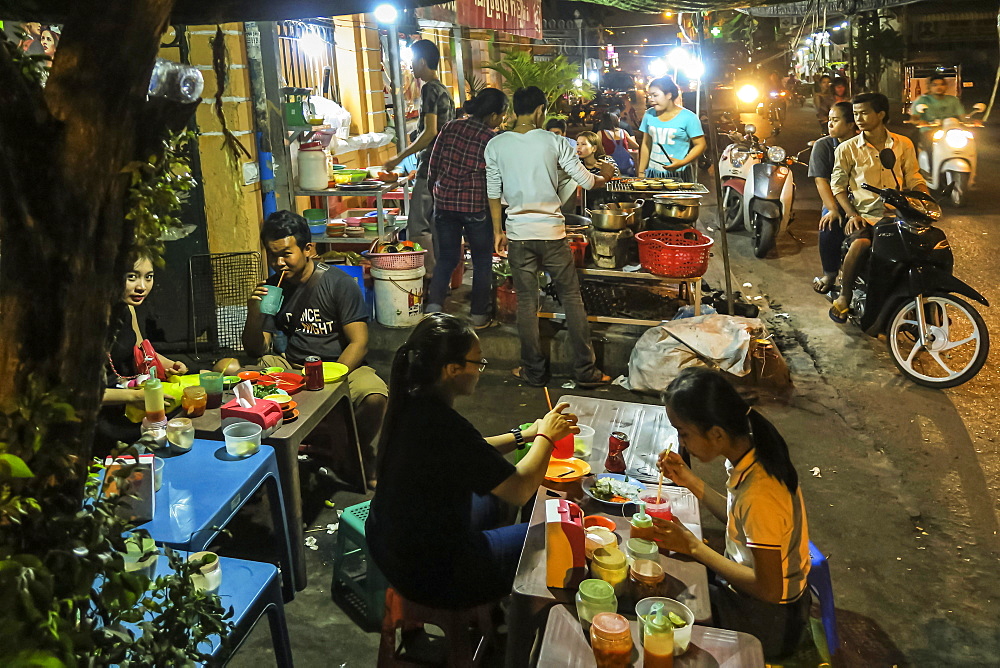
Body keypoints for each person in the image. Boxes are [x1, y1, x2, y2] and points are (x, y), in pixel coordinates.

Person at [367, 313, 579, 608]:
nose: (480, 370)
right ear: (452, 369)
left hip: (391, 547)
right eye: (477, 362)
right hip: (433, 575)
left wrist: (524, 435)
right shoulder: (444, 424)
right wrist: (547, 437)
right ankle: (522, 624)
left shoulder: (412, 402)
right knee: (556, 538)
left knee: (494, 499)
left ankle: (497, 588)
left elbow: (472, 451)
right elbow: (520, 489)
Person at [654, 367, 811, 660]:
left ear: (716, 434)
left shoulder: (760, 493)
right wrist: (689, 481)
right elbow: (740, 523)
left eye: (684, 433)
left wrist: (693, 546)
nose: (681, 442)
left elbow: (768, 589)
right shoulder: (750, 455)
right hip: (757, 600)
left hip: (766, 620)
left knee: (663, 609)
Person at [243, 210, 388, 488]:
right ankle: (314, 449)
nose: (278, 263)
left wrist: (332, 381)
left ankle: (346, 450)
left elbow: (359, 342)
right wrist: (253, 313)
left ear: (308, 249)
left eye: (286, 254)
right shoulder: (275, 288)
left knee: (375, 396)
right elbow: (255, 348)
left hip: (340, 366)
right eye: (272, 255)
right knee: (233, 373)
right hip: (293, 365)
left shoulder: (338, 284)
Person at [485, 86, 612, 388]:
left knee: (528, 303)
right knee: (571, 298)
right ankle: (585, 372)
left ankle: (533, 371)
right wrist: (604, 175)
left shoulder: (496, 145)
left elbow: (493, 192)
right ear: (541, 110)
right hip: (552, 233)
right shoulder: (555, 142)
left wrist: (497, 232)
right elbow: (586, 180)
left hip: (517, 233)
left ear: (514, 111)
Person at [829, 93, 928, 323]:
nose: (859, 118)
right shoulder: (847, 149)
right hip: (865, 217)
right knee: (862, 243)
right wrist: (852, 214)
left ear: (881, 114)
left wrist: (924, 198)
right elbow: (838, 186)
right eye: (855, 114)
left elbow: (913, 176)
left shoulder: (903, 144)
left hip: (899, 216)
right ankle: (844, 296)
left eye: (864, 113)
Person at [425, 88, 509, 328]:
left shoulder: (450, 127)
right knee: (482, 260)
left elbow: (434, 163)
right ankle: (479, 316)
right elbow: (495, 179)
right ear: (493, 115)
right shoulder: (491, 140)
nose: (501, 120)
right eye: (502, 115)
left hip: (444, 204)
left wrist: (436, 192)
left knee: (447, 259)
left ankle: (433, 310)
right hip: (475, 208)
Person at [98, 250, 188, 455]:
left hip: (133, 398)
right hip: (102, 413)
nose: (142, 287)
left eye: (149, 277)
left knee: (186, 412)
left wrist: (169, 365)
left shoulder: (127, 309)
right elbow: (82, 393)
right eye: (132, 277)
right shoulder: (91, 320)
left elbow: (143, 351)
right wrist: (134, 396)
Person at [383, 40, 455, 279]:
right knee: (436, 225)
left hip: (431, 167)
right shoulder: (445, 90)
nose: (411, 65)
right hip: (445, 168)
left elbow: (430, 132)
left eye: (413, 60)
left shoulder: (429, 89)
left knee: (418, 224)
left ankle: (428, 276)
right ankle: (441, 277)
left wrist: (398, 158)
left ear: (422, 61)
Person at [808, 102, 859, 294]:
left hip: (861, 200)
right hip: (835, 200)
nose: (830, 124)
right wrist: (832, 209)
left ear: (851, 124)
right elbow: (821, 182)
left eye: (835, 120)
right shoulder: (824, 146)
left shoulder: (862, 146)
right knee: (829, 226)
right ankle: (829, 273)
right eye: (829, 120)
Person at [637, 76, 706, 181]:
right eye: (649, 96)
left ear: (669, 95)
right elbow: (646, 144)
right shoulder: (649, 114)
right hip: (653, 173)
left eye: (655, 95)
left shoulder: (688, 117)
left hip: (679, 173)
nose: (651, 99)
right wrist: (641, 172)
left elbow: (701, 145)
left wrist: (682, 162)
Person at [909, 74, 966, 151]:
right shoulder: (922, 100)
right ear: (930, 87)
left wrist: (970, 120)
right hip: (929, 131)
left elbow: (963, 116)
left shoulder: (953, 100)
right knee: (929, 148)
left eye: (942, 84)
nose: (939, 87)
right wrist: (919, 121)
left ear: (946, 86)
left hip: (951, 131)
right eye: (935, 85)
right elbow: (915, 117)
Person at [598, 112, 638, 176]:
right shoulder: (623, 132)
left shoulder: (601, 133)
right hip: (627, 164)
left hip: (611, 165)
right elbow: (636, 146)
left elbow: (598, 148)